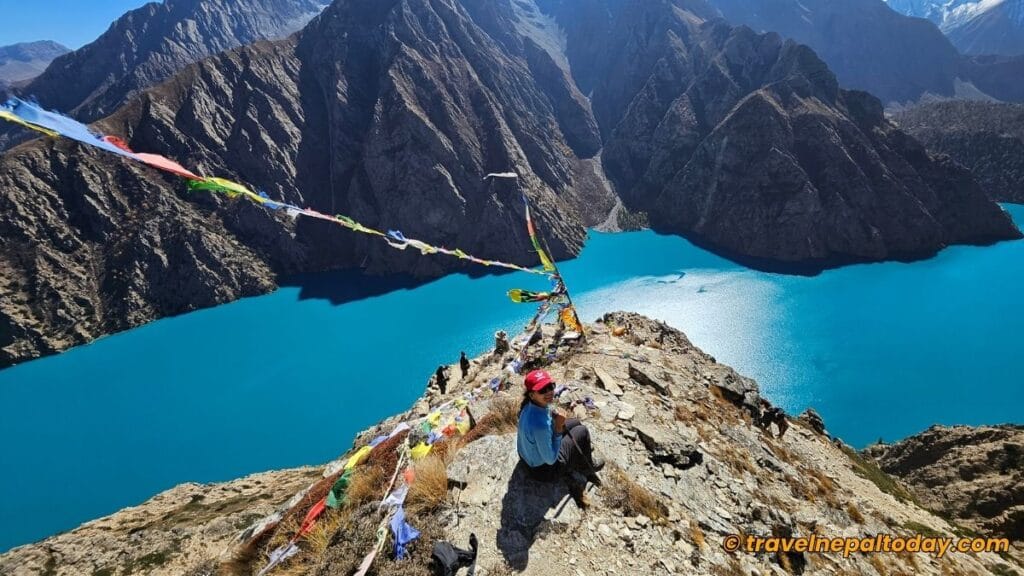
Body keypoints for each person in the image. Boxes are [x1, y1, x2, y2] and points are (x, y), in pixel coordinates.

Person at [517, 369, 603, 506]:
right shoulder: (541, 425)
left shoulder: (528, 406)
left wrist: (553, 414)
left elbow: (543, 414)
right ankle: (586, 468)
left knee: (574, 422)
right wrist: (557, 429)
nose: (549, 392)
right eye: (542, 390)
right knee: (582, 430)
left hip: (528, 457)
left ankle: (581, 452)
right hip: (544, 471)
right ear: (532, 395)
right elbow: (550, 459)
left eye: (550, 386)